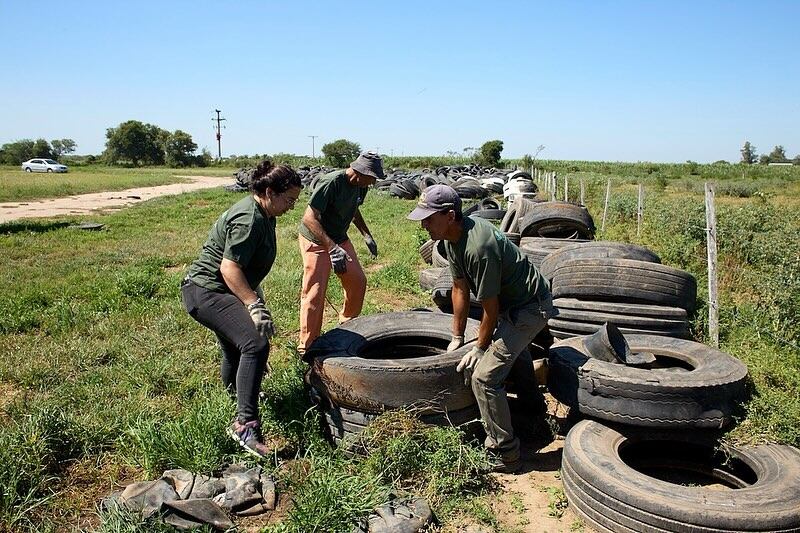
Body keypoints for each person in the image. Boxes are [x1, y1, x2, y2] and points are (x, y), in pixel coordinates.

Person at [408, 184, 553, 473]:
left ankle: (505, 453)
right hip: (513, 304)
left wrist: (479, 347)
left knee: (484, 378)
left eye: (429, 217)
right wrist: (457, 336)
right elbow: (459, 289)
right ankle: (534, 418)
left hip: (529, 307)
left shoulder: (479, 247)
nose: (424, 224)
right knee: (516, 355)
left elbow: (490, 308)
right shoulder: (450, 237)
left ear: (449, 215)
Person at [181, 160, 302, 458]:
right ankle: (244, 425)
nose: (291, 207)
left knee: (236, 347)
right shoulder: (249, 218)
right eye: (289, 200)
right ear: (270, 192)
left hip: (217, 290)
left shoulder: (264, 212)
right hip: (206, 291)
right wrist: (253, 305)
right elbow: (230, 268)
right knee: (255, 344)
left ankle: (235, 396)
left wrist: (253, 296)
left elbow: (245, 268)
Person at [297, 151, 384, 354]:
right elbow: (309, 218)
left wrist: (366, 235)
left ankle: (347, 323)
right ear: (360, 172)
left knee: (357, 281)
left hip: (339, 237)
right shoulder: (332, 182)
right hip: (316, 239)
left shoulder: (361, 186)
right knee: (315, 292)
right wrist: (331, 247)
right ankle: (308, 346)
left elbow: (354, 209)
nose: (372, 183)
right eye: (371, 178)